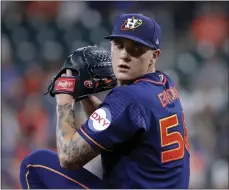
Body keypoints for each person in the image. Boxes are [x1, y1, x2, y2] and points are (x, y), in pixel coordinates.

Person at [20, 13, 190, 189]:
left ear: (154, 56)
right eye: (119, 45)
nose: (124, 55)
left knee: (34, 164)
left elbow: (68, 157)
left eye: (136, 48)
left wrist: (64, 100)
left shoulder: (127, 98)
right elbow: (117, 124)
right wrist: (84, 95)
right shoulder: (164, 83)